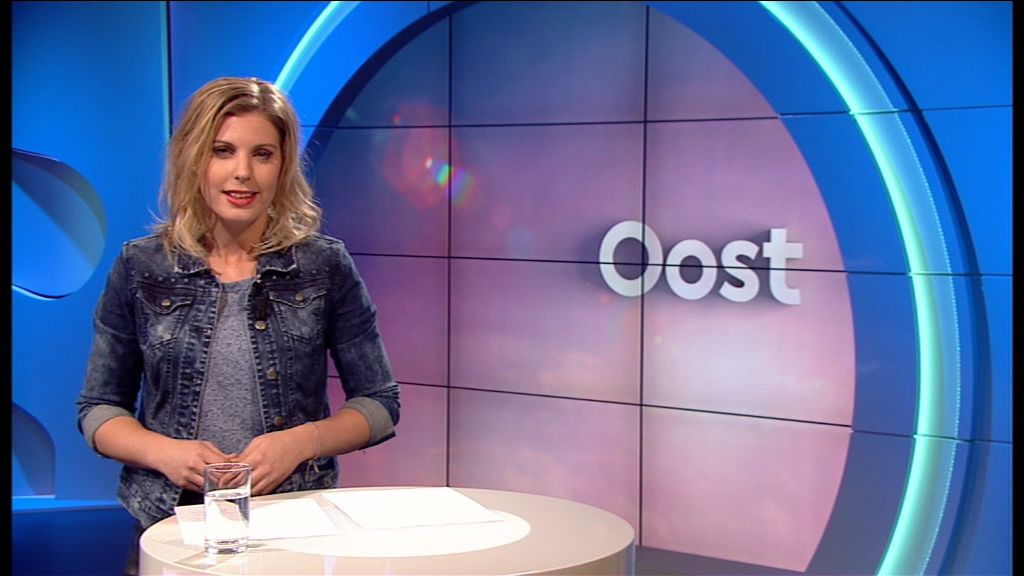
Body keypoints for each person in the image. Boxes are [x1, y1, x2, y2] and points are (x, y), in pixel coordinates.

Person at [76, 76, 400, 573]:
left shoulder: (324, 266)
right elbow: (98, 411)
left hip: (292, 521)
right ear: (193, 158)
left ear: (283, 165)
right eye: (222, 151)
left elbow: (379, 404)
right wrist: (165, 453)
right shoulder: (142, 267)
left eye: (262, 154)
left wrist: (299, 443)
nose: (242, 173)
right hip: (169, 524)